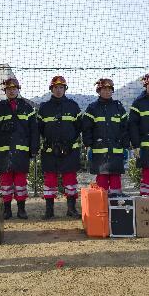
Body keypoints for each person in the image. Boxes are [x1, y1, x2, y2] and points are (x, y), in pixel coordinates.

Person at [0, 78, 39, 219]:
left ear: (18, 89)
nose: (11, 91)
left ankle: (21, 209)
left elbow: (34, 130)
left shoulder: (27, 108)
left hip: (22, 153)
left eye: (14, 88)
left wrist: (34, 148)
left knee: (21, 183)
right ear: (5, 91)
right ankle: (7, 210)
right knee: (5, 183)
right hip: (3, 153)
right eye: (8, 89)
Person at [37, 76, 83, 219]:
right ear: (51, 89)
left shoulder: (73, 106)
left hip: (70, 151)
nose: (58, 90)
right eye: (56, 88)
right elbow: (39, 129)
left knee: (70, 180)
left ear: (65, 89)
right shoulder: (44, 107)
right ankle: (49, 211)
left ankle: (71, 209)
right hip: (50, 151)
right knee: (49, 181)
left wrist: (70, 142)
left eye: (61, 87)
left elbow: (79, 127)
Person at [82, 78, 129, 196]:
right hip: (99, 151)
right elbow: (87, 128)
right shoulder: (92, 108)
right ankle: (101, 207)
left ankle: (116, 207)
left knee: (115, 176)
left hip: (116, 150)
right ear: (99, 91)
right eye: (104, 89)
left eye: (109, 89)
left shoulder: (118, 107)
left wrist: (126, 146)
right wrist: (88, 146)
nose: (107, 92)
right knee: (102, 178)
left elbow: (125, 128)